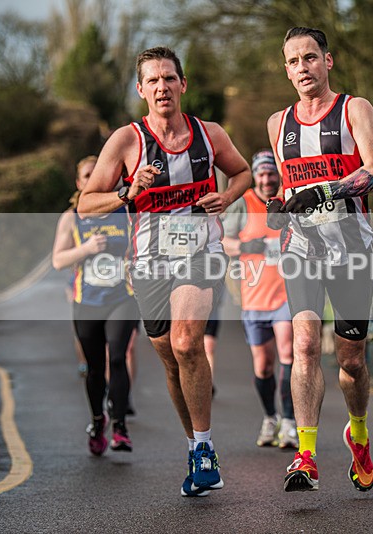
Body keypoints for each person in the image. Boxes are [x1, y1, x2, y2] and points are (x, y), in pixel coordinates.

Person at [78, 46, 251, 497]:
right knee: (171, 360)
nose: (162, 87)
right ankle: (194, 444)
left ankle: (207, 448)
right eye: (152, 81)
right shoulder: (126, 141)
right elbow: (85, 204)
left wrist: (227, 197)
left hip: (201, 250)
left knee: (187, 340)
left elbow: (244, 173)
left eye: (169, 79)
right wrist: (126, 193)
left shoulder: (209, 134)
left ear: (183, 84)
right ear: (141, 90)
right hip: (149, 262)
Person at [266, 27, 373, 492]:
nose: (303, 68)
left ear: (328, 61)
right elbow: (287, 186)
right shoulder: (278, 124)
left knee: (351, 361)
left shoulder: (354, 109)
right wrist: (279, 209)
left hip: (352, 249)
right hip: (302, 249)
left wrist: (329, 189)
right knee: (303, 346)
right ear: (286, 70)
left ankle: (358, 434)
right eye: (294, 61)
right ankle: (306, 455)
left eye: (310, 58)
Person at [52, 155, 140, 456]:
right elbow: (58, 260)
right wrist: (86, 248)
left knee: (118, 357)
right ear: (79, 183)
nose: (94, 179)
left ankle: (119, 427)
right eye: (87, 175)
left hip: (123, 297)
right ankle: (97, 419)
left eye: (100, 173)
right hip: (86, 300)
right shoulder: (71, 217)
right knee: (94, 368)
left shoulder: (127, 211)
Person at [222, 150, 297, 450]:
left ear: (278, 176)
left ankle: (290, 422)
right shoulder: (243, 203)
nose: (266, 180)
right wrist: (244, 244)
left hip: (286, 294)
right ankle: (270, 417)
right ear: (254, 176)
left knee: (288, 352)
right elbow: (223, 241)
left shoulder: (286, 201)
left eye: (271, 174)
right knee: (263, 366)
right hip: (253, 296)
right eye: (261, 174)